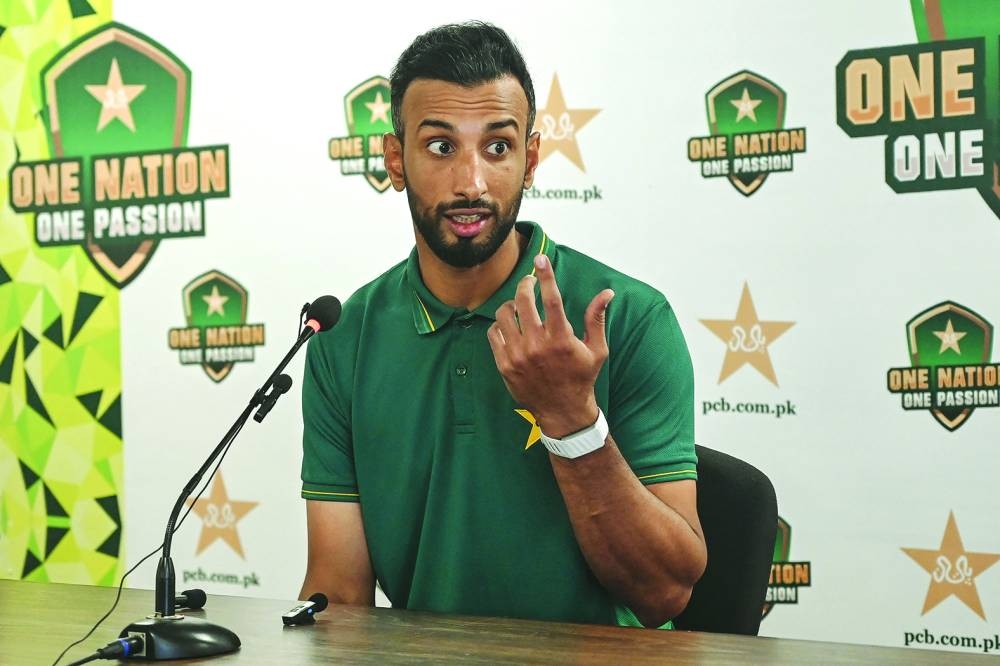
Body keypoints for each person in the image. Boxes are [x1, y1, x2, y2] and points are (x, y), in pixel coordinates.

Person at [299, 21, 706, 628]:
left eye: (497, 147)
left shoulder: (627, 317)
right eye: (440, 146)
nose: (471, 183)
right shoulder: (344, 338)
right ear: (394, 159)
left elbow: (665, 595)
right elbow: (339, 591)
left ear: (531, 158)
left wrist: (572, 420)